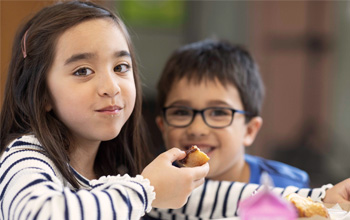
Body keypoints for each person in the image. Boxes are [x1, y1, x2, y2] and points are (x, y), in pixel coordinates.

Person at [0, 1, 209, 219]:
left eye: (120, 67)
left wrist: (248, 195)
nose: (111, 88)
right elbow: (37, 213)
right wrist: (147, 190)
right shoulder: (26, 155)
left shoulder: (117, 167)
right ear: (42, 93)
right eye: (83, 71)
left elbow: (196, 200)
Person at [145, 39, 350, 219]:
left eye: (218, 112)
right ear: (162, 126)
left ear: (250, 130)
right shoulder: (149, 189)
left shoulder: (288, 187)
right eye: (181, 112)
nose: (197, 128)